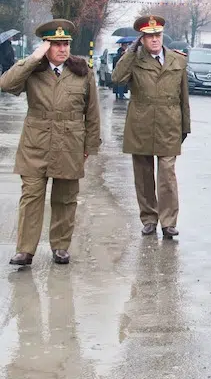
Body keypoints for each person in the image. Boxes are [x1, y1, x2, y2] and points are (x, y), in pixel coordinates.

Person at [0, 20, 101, 265]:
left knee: (65, 198)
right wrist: (33, 58)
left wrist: (90, 145)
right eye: (56, 44)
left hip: (70, 142)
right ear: (46, 46)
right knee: (31, 197)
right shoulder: (33, 70)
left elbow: (92, 111)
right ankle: (25, 250)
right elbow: (6, 84)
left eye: (65, 43)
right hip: (36, 143)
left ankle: (60, 247)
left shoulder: (82, 71)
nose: (63, 49)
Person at [111, 15, 191, 240]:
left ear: (162, 36)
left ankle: (168, 222)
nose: (154, 40)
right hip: (141, 123)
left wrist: (185, 126)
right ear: (142, 39)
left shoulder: (178, 60)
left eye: (157, 35)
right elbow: (117, 78)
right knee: (144, 175)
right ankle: (148, 218)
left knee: (167, 175)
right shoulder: (134, 60)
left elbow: (183, 96)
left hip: (169, 124)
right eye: (148, 36)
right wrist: (130, 52)